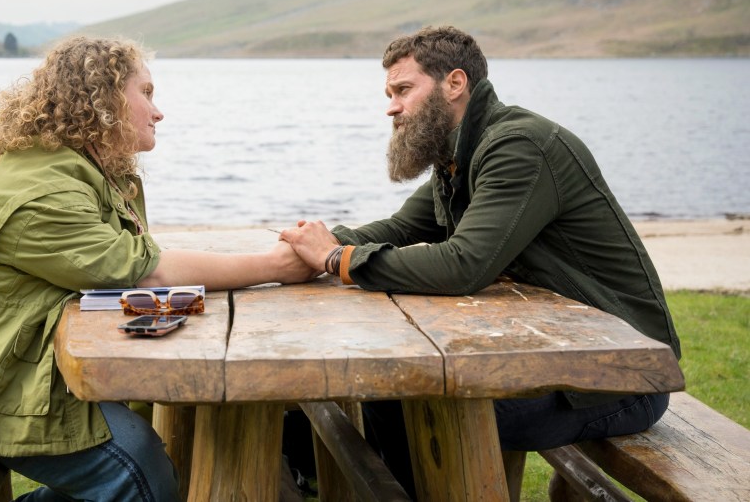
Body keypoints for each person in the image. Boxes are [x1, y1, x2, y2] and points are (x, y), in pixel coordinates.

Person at [0, 35, 315, 502]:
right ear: (102, 99)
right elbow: (143, 271)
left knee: (164, 441)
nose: (158, 111)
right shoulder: (40, 189)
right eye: (145, 93)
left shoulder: (72, 166)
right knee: (138, 469)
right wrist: (273, 266)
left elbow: (128, 261)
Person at [279, 25, 681, 498]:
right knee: (389, 395)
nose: (391, 107)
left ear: (454, 83)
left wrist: (335, 258)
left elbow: (462, 265)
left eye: (403, 90)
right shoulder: (459, 155)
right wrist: (304, 246)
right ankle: (303, 462)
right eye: (389, 93)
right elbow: (399, 228)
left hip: (622, 375)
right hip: (558, 356)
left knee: (414, 405)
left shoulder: (517, 146)